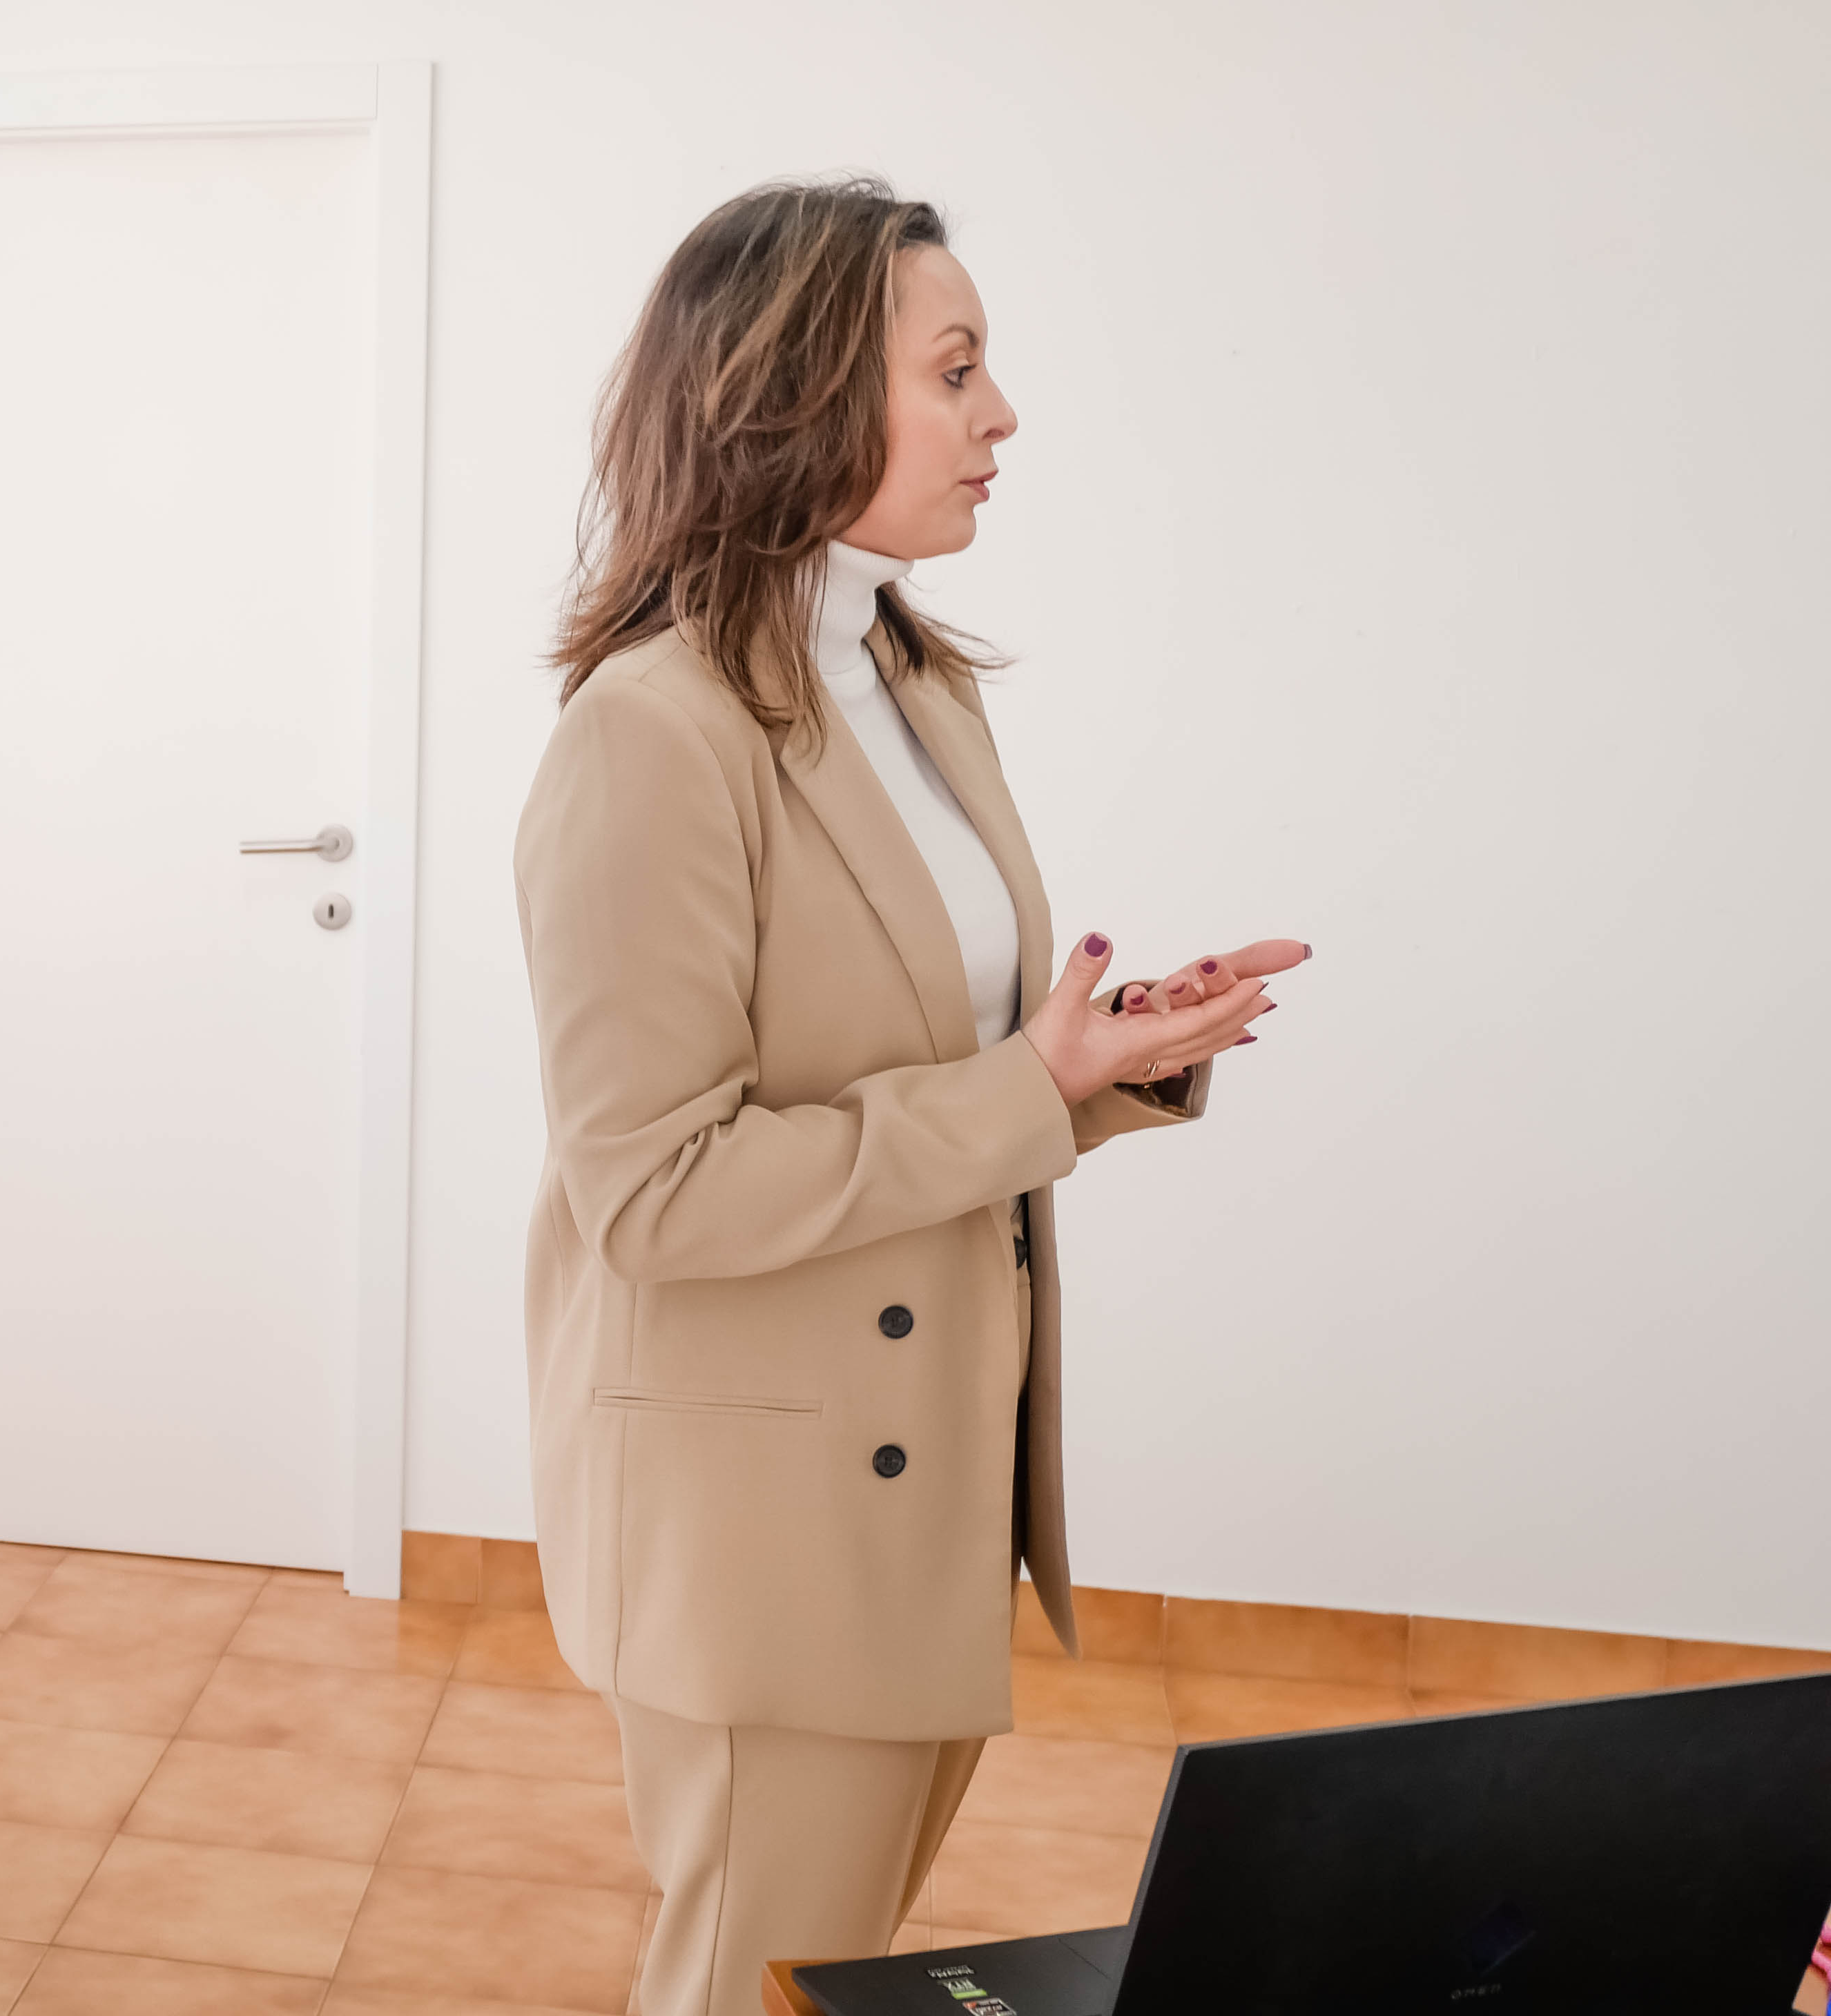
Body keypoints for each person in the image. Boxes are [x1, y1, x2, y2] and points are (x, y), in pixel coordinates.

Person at [512, 179, 1306, 2016]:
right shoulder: (650, 733)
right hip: (763, 1522)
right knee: (753, 1985)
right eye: (955, 372)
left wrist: (1104, 1064)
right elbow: (653, 1191)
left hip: (926, 1481)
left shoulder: (911, 675)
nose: (1000, 416)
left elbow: (943, 1081)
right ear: (790, 393)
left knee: (830, 1981)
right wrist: (1027, 1085)